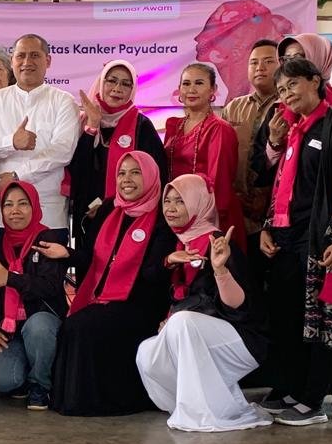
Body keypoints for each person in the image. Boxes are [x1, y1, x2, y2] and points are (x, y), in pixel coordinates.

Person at [259, 56, 332, 426]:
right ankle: (293, 388)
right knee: (290, 319)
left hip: (320, 240)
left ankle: (314, 399)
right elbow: (281, 186)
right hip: (286, 238)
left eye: (293, 84)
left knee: (322, 324)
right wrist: (268, 226)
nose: (287, 94)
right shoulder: (293, 129)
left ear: (315, 81)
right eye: (282, 89)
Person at [37, 151, 175, 416]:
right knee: (72, 325)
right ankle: (69, 400)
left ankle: (98, 402)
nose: (127, 179)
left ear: (150, 176)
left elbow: (153, 273)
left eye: (135, 173)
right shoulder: (111, 209)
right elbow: (92, 257)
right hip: (104, 297)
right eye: (121, 173)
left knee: (86, 327)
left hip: (141, 302)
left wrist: (165, 262)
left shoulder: (161, 216)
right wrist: (67, 253)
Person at [136, 174, 271, 432]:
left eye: (180, 201)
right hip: (205, 338)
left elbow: (238, 306)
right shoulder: (179, 243)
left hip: (242, 341)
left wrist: (220, 270)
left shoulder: (219, 244)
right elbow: (150, 278)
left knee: (182, 324)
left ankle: (199, 413)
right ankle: (208, 405)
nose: (171, 208)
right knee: (147, 353)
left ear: (198, 203)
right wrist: (168, 262)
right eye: (167, 201)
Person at [0, 33, 80, 255]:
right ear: (12, 61)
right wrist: (11, 142)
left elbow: (62, 152)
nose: (27, 62)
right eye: (21, 56)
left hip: (48, 214)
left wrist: (17, 176)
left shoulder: (63, 101)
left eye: (34, 55)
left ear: (48, 61)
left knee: (45, 277)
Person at [69, 59, 167, 270]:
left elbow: (157, 177)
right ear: (101, 83)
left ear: (132, 90)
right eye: (111, 81)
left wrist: (110, 207)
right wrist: (92, 127)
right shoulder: (82, 121)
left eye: (125, 84)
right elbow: (75, 172)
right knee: (89, 275)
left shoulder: (142, 126)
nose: (117, 88)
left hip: (130, 218)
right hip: (88, 216)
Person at [0, 181, 67, 410]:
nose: (15, 210)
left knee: (38, 326)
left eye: (23, 203)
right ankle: (22, 379)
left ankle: (40, 385)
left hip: (43, 323)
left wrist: (10, 278)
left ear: (34, 207)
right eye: (8, 205)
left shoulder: (48, 240)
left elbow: (50, 287)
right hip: (9, 330)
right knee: (2, 380)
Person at [164, 62, 245, 249]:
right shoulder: (174, 126)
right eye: (186, 84)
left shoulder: (220, 129)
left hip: (210, 218)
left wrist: (204, 226)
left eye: (199, 83)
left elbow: (220, 185)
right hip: (177, 215)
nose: (191, 89)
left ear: (213, 90)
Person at [221, 39, 281, 284]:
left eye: (268, 62)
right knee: (238, 279)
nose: (260, 68)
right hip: (236, 211)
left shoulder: (289, 106)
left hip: (273, 214)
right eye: (254, 63)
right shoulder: (233, 108)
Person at [278, 34, 332, 125]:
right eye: (286, 59)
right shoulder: (278, 108)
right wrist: (274, 135)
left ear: (319, 57)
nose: (291, 65)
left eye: (298, 57)